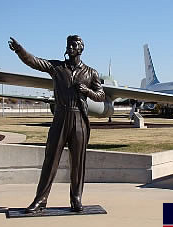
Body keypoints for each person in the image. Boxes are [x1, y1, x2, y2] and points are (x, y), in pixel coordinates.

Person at [8, 35, 105, 213]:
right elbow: (34, 62)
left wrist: (88, 91)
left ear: (81, 48)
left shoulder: (91, 73)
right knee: (50, 160)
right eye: (68, 44)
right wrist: (20, 51)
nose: (70, 47)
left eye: (73, 45)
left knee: (78, 162)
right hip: (60, 117)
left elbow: (101, 95)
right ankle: (40, 200)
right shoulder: (57, 67)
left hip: (79, 119)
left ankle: (76, 199)